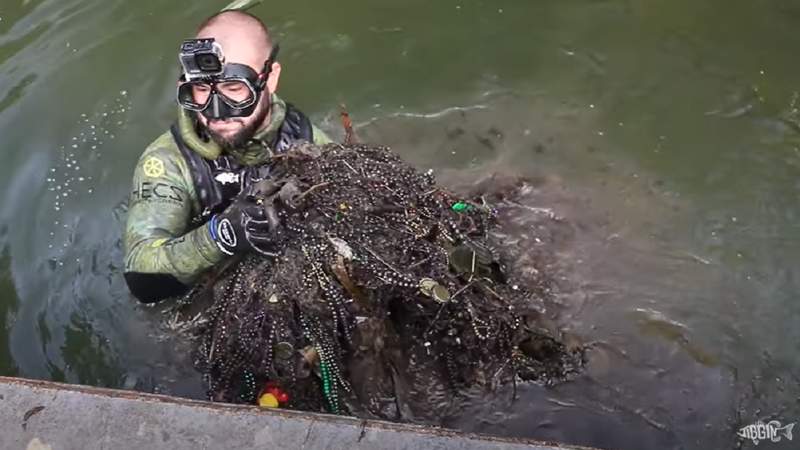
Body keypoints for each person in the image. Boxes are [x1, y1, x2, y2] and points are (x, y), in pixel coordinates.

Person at [123, 10, 332, 303]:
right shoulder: (168, 162)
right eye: (201, 89)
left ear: (269, 79)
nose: (216, 111)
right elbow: (141, 277)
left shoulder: (306, 138)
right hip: (208, 298)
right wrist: (222, 234)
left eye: (234, 89)